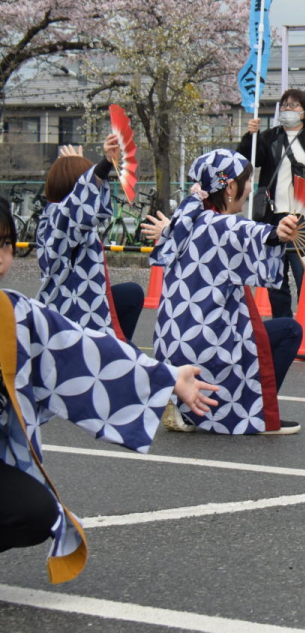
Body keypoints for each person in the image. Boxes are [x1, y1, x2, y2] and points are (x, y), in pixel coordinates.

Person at [0, 196, 219, 583]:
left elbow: (82, 350)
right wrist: (100, 171)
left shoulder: (12, 313)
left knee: (36, 511)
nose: (2, 259)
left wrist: (166, 377)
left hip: (85, 314)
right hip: (73, 303)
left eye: (5, 244)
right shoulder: (62, 212)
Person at [141, 150, 304, 435]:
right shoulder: (223, 224)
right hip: (208, 343)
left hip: (172, 344)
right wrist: (279, 231)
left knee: (254, 330)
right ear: (230, 187)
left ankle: (180, 400)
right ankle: (257, 413)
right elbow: (258, 234)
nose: (250, 187)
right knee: (290, 330)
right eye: (247, 180)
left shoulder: (185, 221)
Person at [239, 89, 305, 319]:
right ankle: (283, 324)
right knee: (274, 275)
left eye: (294, 105)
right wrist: (250, 137)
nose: (288, 109)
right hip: (273, 215)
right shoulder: (268, 137)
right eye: (285, 105)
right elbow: (249, 161)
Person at [36, 137, 144, 342]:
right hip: (72, 317)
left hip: (82, 302)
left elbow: (80, 197)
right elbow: (81, 197)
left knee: (132, 294)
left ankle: (119, 345)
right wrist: (105, 163)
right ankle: (116, 348)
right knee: (133, 361)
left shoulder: (58, 217)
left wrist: (73, 167)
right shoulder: (61, 218)